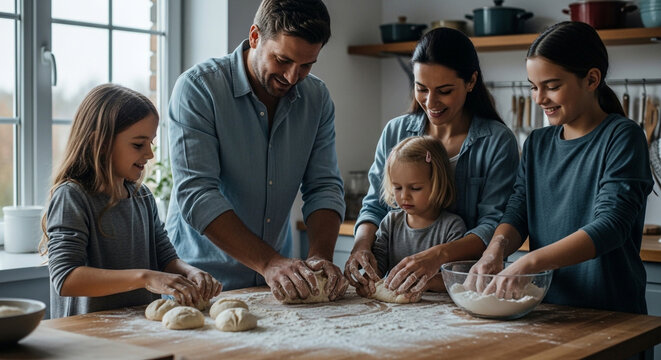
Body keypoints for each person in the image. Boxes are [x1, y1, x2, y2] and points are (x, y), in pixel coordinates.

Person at [166, 0, 348, 303]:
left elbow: (324, 187)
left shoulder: (317, 98)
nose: (292, 77)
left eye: (306, 66)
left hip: (276, 287)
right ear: (254, 37)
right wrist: (269, 262)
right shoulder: (199, 89)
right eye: (282, 60)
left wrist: (320, 258)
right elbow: (197, 195)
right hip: (201, 285)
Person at [470, 21, 653, 316]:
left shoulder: (622, 136)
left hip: (611, 314)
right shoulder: (537, 144)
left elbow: (611, 226)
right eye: (533, 87)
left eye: (552, 86)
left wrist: (529, 261)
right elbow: (518, 212)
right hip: (546, 310)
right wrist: (496, 249)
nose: (540, 98)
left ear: (592, 79)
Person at [345, 27, 519, 296]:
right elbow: (374, 206)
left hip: (467, 290)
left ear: (471, 81)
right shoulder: (396, 132)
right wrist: (361, 247)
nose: (431, 101)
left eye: (444, 90)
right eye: (421, 88)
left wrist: (436, 256)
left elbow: (492, 225)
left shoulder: (497, 141)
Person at [42, 84, 222, 318]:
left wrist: (190, 273)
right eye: (138, 144)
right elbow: (66, 279)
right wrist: (146, 278)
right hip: (87, 339)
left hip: (141, 333)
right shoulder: (72, 196)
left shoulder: (143, 196)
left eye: (151, 143)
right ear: (102, 143)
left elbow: (166, 258)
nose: (149, 154)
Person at [355, 136, 467, 298]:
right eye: (397, 187)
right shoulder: (390, 223)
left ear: (438, 184)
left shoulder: (452, 227)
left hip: (437, 310)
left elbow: (457, 279)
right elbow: (378, 266)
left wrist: (425, 282)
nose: (404, 196)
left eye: (415, 188)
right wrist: (368, 280)